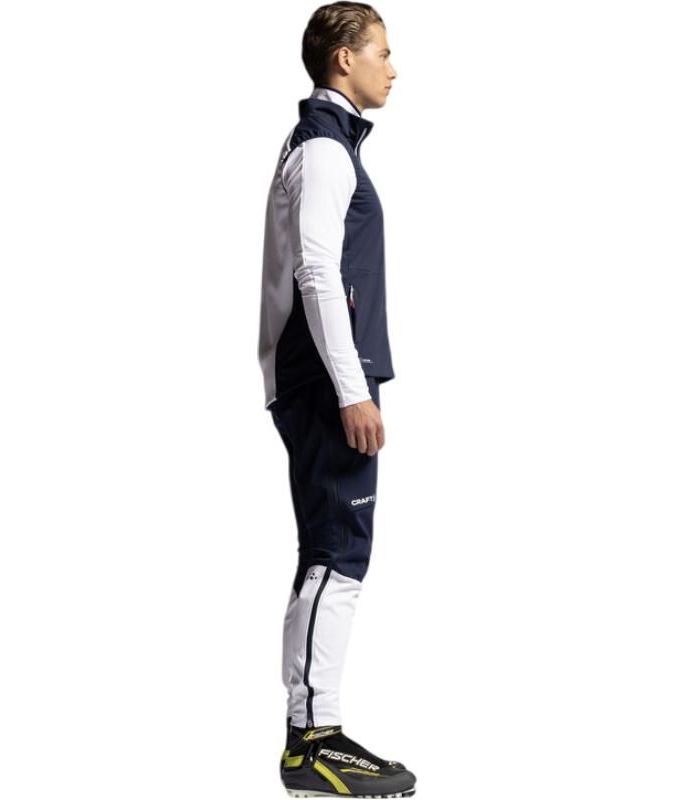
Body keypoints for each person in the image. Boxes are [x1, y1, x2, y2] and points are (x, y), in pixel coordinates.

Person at [257, 3, 416, 797]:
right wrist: (354, 392)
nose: (394, 67)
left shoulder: (324, 142)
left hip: (325, 374)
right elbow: (317, 272)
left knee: (330, 550)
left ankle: (311, 732)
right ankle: (314, 739)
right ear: (344, 59)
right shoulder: (323, 149)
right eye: (382, 51)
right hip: (328, 380)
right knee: (337, 554)